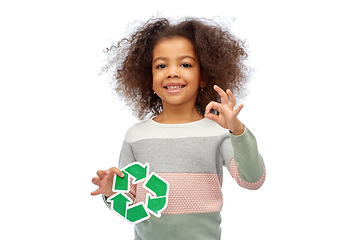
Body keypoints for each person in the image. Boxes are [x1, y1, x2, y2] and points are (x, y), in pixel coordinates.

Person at [91, 17, 266, 240]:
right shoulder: (136, 136)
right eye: (161, 65)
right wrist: (111, 191)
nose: (172, 72)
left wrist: (237, 130)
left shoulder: (217, 132)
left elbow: (252, 180)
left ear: (203, 77)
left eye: (185, 64)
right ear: (150, 80)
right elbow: (131, 205)